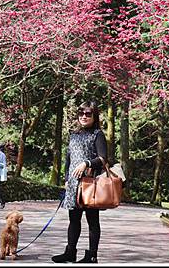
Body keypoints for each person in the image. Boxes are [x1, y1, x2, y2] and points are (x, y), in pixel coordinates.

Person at [52, 100, 107, 264]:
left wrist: (87, 163)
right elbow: (69, 158)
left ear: (94, 116)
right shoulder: (74, 134)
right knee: (73, 220)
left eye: (88, 113)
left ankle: (92, 256)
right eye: (81, 113)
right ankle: (70, 252)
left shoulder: (97, 134)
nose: (84, 116)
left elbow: (103, 159)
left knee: (92, 220)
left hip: (90, 184)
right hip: (74, 184)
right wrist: (67, 179)